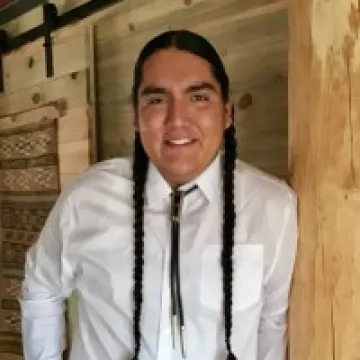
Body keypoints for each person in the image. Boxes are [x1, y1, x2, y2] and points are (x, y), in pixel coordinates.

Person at [20, 30, 298, 360]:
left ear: (226, 113)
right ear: (137, 118)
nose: (177, 120)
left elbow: (271, 324)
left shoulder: (272, 207)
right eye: (156, 100)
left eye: (198, 97)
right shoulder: (87, 197)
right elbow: (41, 285)